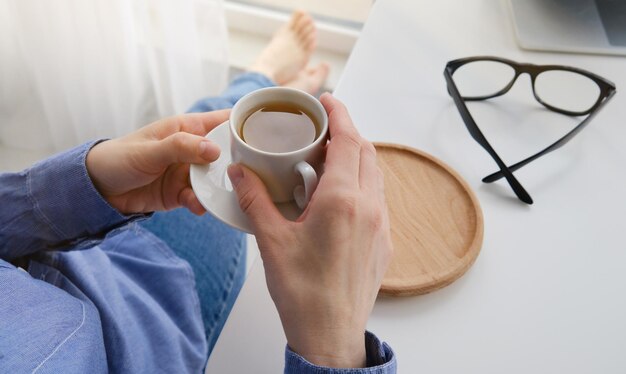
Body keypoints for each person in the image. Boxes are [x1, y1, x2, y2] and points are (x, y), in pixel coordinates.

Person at [0, 11, 396, 374]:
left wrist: (86, 183)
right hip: (166, 337)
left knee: (197, 134)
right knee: (212, 140)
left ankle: (264, 74)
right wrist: (333, 349)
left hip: (102, 264)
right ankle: (265, 77)